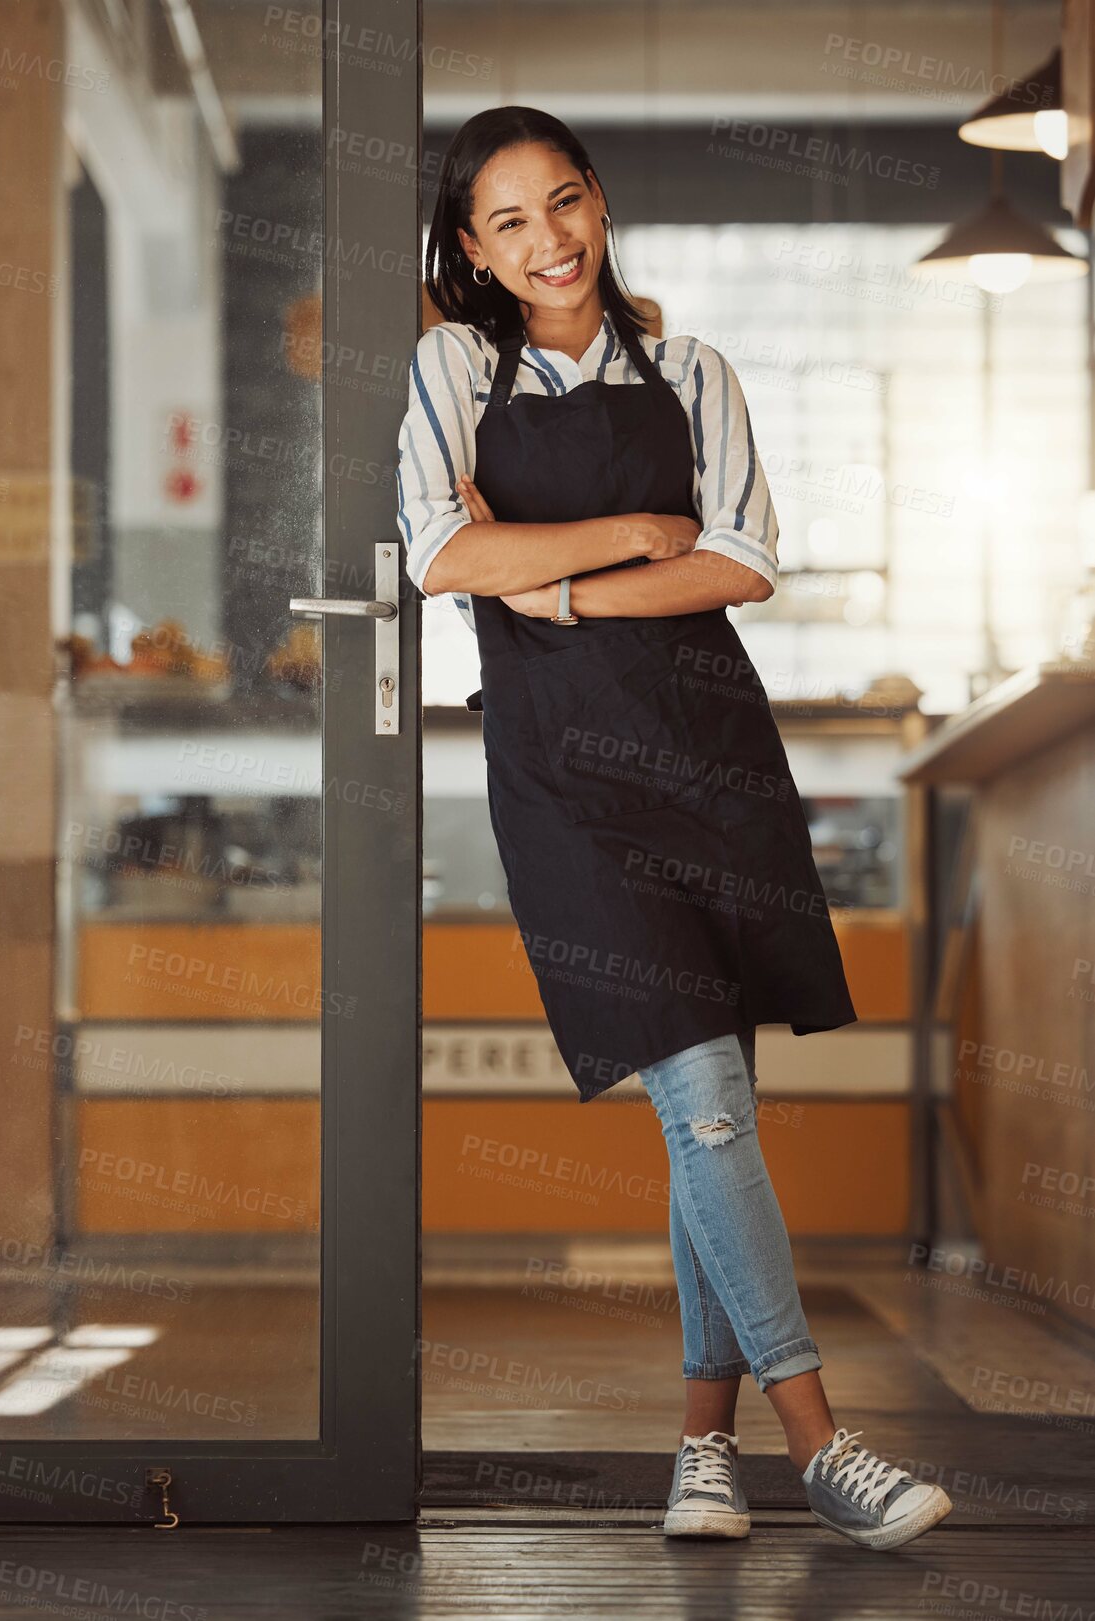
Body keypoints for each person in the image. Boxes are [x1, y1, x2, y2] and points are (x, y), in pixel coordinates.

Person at [396, 104, 952, 1552]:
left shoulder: (691, 366)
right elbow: (439, 551)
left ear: (598, 201)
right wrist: (630, 536)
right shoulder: (456, 363)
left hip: (707, 761)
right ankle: (820, 1445)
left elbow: (744, 561)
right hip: (567, 789)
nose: (548, 241)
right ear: (469, 248)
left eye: (564, 202)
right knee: (702, 1095)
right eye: (507, 221)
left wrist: (553, 588)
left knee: (718, 1122)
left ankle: (699, 1455)